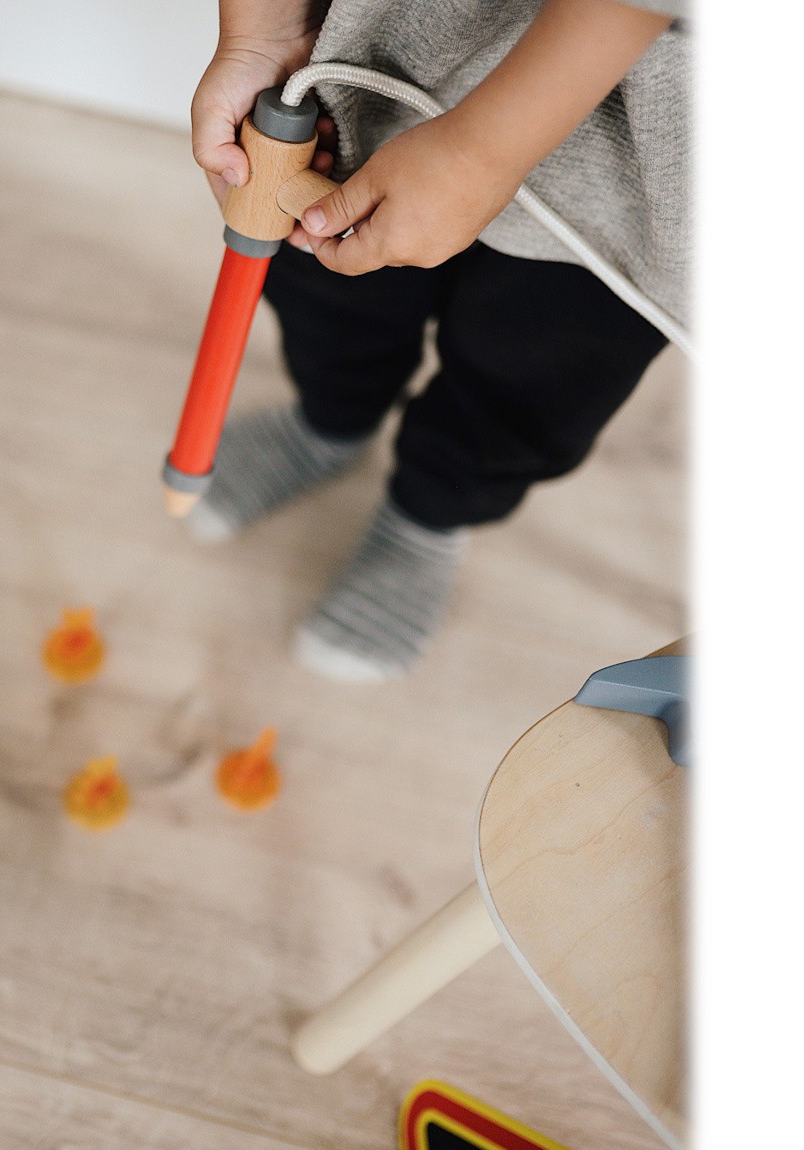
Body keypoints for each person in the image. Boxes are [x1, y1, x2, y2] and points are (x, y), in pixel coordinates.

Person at [186, 0, 690, 681]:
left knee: (537, 370)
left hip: (634, 169)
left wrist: (482, 151)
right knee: (329, 302)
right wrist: (260, 30)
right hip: (374, 64)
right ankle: (328, 423)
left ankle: (430, 512)